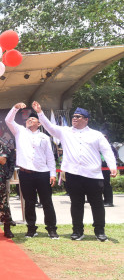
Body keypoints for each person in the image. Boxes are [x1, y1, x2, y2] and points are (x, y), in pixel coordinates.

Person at [32, 102, 117, 241]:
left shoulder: (96, 135)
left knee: (97, 204)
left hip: (93, 175)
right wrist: (40, 112)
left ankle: (100, 231)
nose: (75, 118)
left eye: (78, 116)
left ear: (86, 119)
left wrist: (112, 166)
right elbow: (49, 127)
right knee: (76, 204)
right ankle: (77, 231)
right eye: (74, 116)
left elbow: (107, 151)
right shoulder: (65, 131)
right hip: (73, 174)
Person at [5, 103, 58, 239]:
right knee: (29, 202)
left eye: (33, 119)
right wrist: (15, 108)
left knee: (47, 202)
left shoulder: (45, 138)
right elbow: (8, 120)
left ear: (39, 124)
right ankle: (31, 228)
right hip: (26, 173)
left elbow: (50, 157)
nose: (30, 120)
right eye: (28, 119)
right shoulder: (20, 131)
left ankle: (51, 229)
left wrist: (53, 174)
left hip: (42, 173)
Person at [101, 134, 118, 207]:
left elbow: (116, 155)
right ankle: (103, 200)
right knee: (99, 184)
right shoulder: (99, 147)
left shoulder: (110, 146)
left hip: (106, 167)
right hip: (99, 167)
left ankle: (109, 201)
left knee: (106, 184)